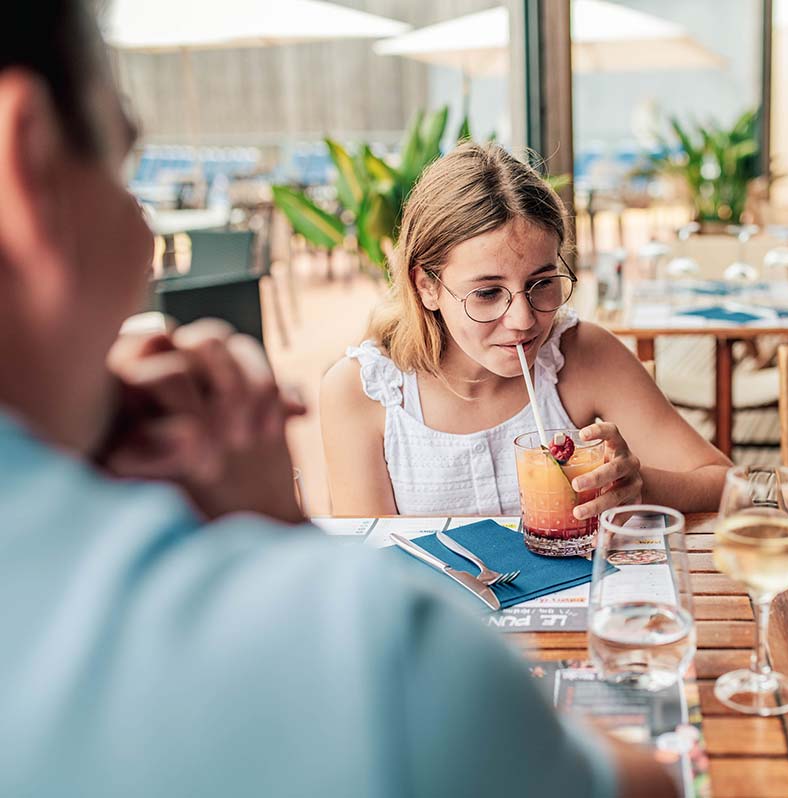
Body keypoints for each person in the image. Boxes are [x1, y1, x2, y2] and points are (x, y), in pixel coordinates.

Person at [0, 3, 676, 796]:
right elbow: (647, 787)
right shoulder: (380, 655)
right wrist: (274, 543)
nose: (145, 235)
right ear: (29, 165)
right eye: (122, 169)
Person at [321, 142, 730, 516]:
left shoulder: (583, 355)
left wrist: (640, 486)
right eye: (486, 293)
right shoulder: (364, 393)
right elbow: (368, 567)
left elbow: (726, 482)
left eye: (542, 283)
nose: (523, 320)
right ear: (426, 286)